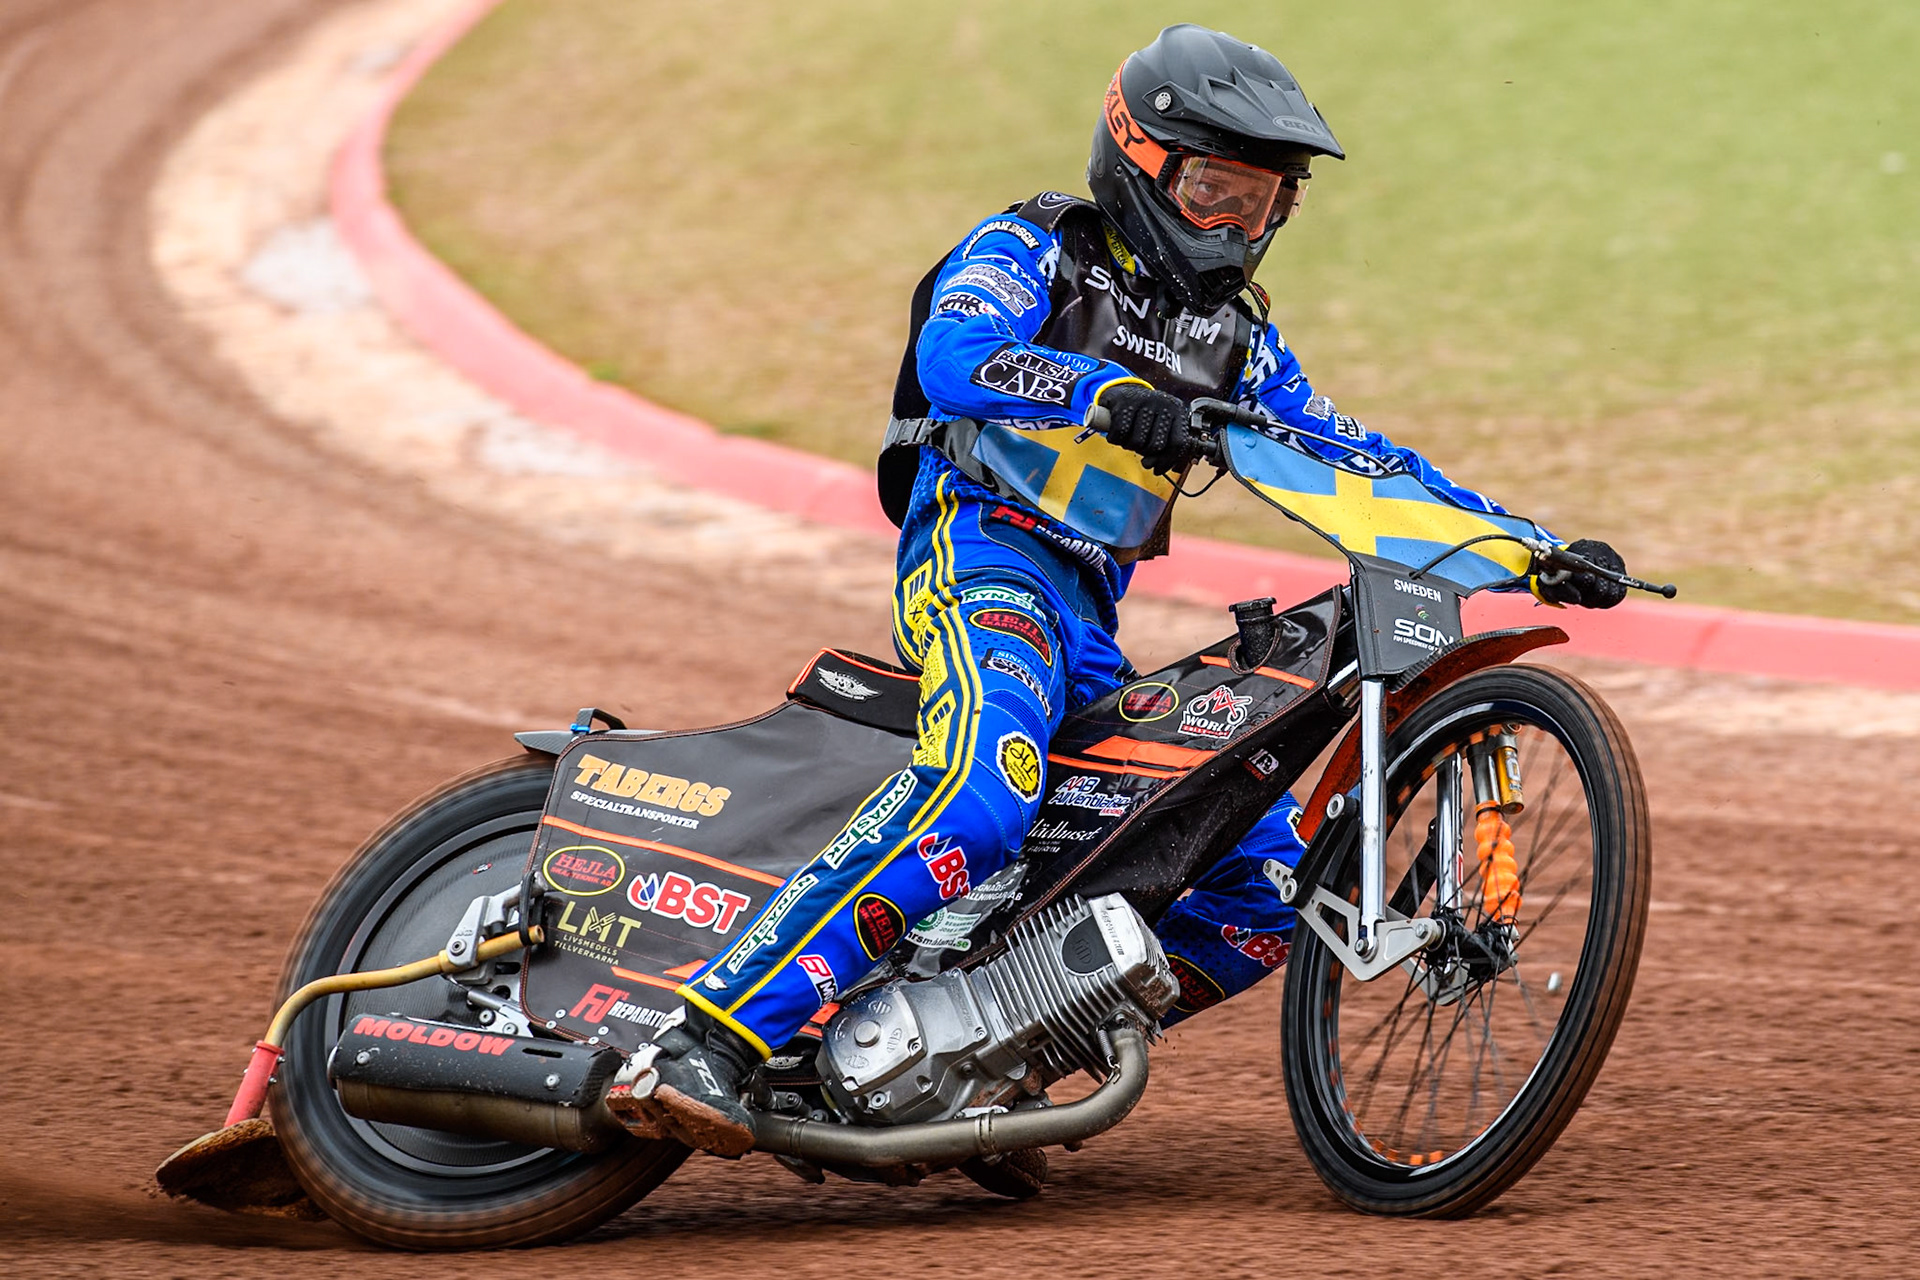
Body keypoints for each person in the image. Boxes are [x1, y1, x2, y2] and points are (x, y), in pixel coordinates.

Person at [615, 24, 1628, 1156]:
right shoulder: (1034, 244)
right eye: (1213, 191)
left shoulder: (1236, 340)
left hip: (1088, 615)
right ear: (1137, 157)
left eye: (1263, 204)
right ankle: (708, 1037)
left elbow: (1353, 462)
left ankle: (990, 1063)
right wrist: (1101, 394)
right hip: (979, 556)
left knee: (1268, 892)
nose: (1238, 227)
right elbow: (958, 356)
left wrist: (1526, 546)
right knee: (988, 791)